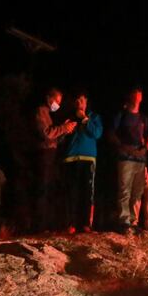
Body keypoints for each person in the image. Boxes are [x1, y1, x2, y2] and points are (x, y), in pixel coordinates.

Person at [32, 88, 77, 231]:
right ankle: (39, 225)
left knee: (49, 188)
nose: (57, 105)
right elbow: (46, 134)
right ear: (48, 98)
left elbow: (54, 137)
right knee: (43, 188)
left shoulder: (48, 114)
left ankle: (47, 224)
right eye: (56, 101)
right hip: (44, 154)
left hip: (51, 153)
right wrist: (63, 128)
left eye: (59, 103)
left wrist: (65, 130)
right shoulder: (41, 111)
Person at [109, 87, 148, 232]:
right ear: (130, 96)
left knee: (137, 191)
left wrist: (145, 148)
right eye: (134, 93)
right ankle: (123, 221)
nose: (137, 96)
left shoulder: (144, 118)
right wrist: (123, 147)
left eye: (139, 93)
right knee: (124, 189)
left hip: (140, 159)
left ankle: (133, 222)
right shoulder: (121, 115)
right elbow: (111, 134)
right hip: (125, 157)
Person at [62, 91, 103, 233]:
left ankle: (86, 224)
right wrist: (64, 131)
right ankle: (70, 224)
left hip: (88, 158)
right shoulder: (68, 118)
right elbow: (60, 139)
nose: (79, 103)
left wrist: (85, 119)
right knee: (71, 192)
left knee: (87, 192)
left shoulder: (94, 117)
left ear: (86, 102)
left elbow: (97, 134)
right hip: (71, 158)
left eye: (81, 100)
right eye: (76, 101)